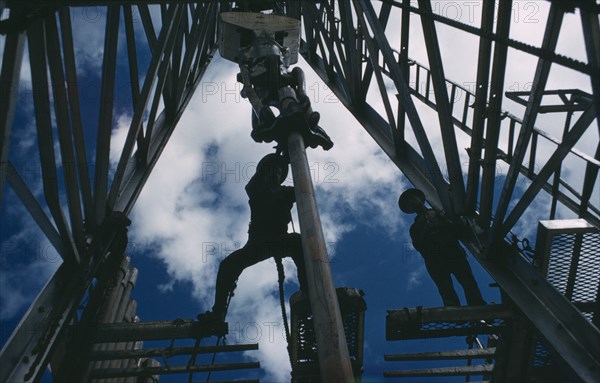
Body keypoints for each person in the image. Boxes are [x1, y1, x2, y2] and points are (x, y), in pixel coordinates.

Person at [199, 153, 308, 323]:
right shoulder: (256, 187)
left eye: (279, 171)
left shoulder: (285, 192)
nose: (276, 173)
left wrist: (292, 157)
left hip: (279, 239)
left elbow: (305, 191)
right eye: (271, 169)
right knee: (228, 266)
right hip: (258, 243)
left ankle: (308, 291)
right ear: (263, 171)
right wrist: (278, 160)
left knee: (298, 242)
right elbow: (252, 187)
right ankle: (217, 313)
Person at [399, 188, 486, 307]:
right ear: (409, 209)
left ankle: (477, 305)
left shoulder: (439, 212)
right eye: (408, 203)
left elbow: (456, 225)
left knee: (467, 280)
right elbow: (418, 245)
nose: (412, 202)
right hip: (433, 255)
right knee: (445, 287)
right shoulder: (414, 228)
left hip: (451, 248)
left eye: (413, 198)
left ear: (420, 199)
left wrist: (450, 232)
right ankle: (452, 309)